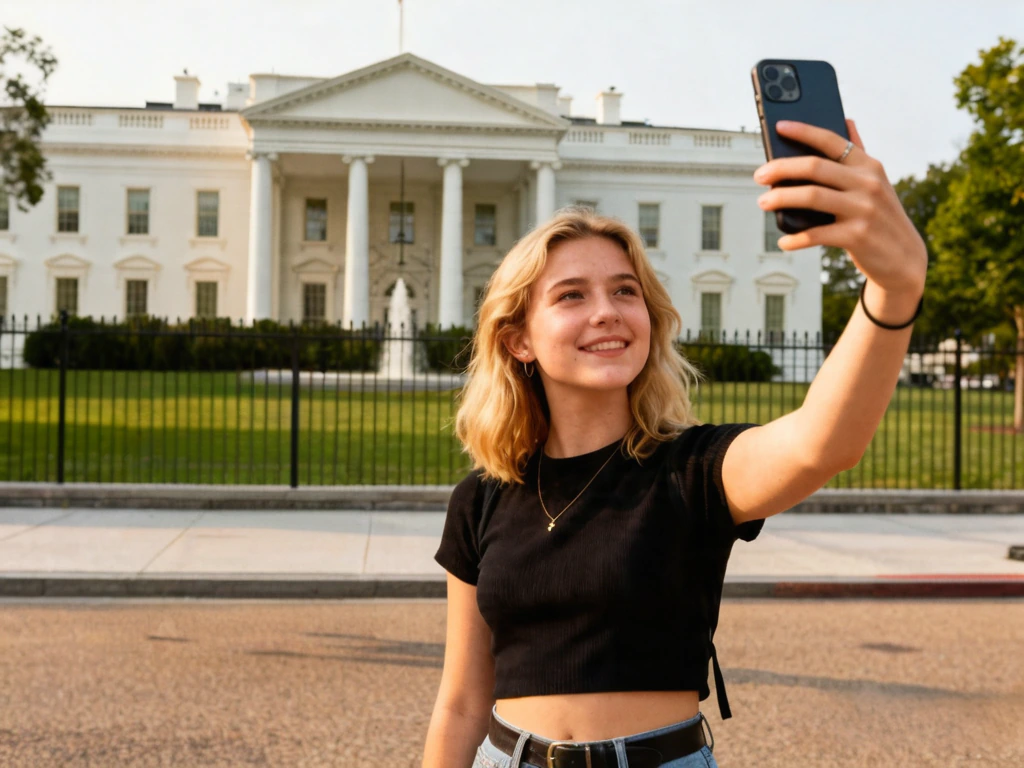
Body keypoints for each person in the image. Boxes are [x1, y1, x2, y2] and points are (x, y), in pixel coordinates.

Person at [421, 119, 927, 768]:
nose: (606, 310)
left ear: (648, 320)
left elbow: (820, 444)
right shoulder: (482, 499)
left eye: (624, 291)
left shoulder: (693, 471)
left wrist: (893, 289)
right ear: (518, 339)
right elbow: (462, 700)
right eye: (572, 295)